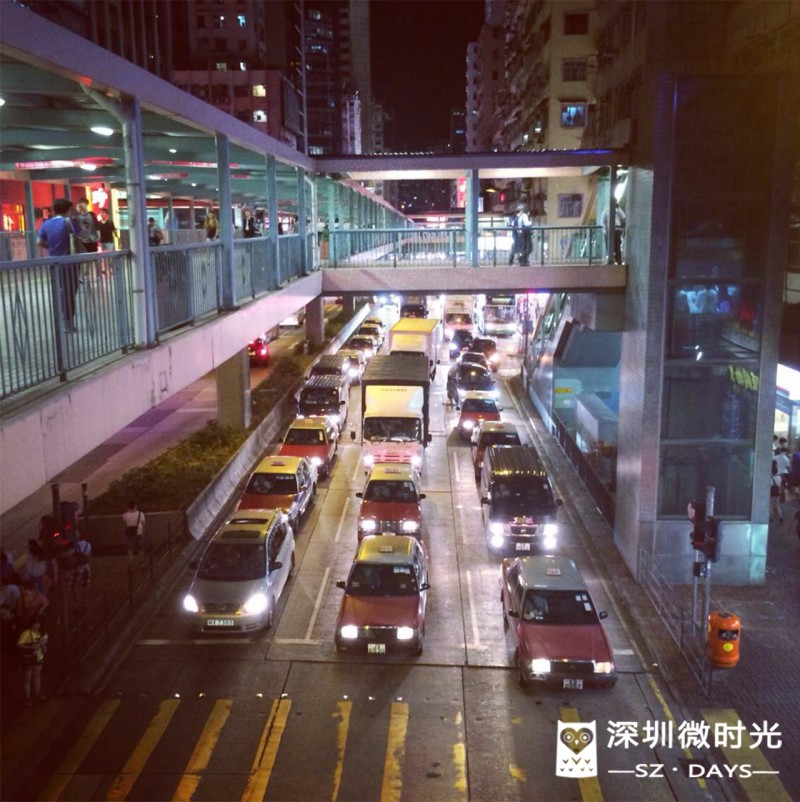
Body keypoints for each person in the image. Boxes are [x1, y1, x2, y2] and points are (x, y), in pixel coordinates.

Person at [37, 197, 82, 333]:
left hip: (53, 263)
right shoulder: (69, 222)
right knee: (70, 293)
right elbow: (83, 235)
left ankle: (62, 321)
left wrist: (51, 247)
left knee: (60, 291)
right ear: (67, 210)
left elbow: (39, 242)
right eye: (71, 209)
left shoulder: (46, 223)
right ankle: (68, 323)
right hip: (69, 263)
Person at [17, 619, 48, 706]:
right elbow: (19, 644)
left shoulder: (41, 633)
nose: (37, 626)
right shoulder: (26, 633)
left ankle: (37, 693)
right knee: (28, 678)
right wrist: (30, 647)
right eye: (35, 624)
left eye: (38, 624)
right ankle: (28, 697)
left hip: (38, 657)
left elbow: (43, 645)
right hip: (29, 658)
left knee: (37, 676)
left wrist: (43, 646)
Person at [62, 532, 92, 606]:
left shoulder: (75, 546)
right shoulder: (88, 545)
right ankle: (85, 602)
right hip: (86, 567)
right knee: (85, 585)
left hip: (77, 568)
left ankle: (76, 602)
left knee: (72, 586)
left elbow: (68, 554)